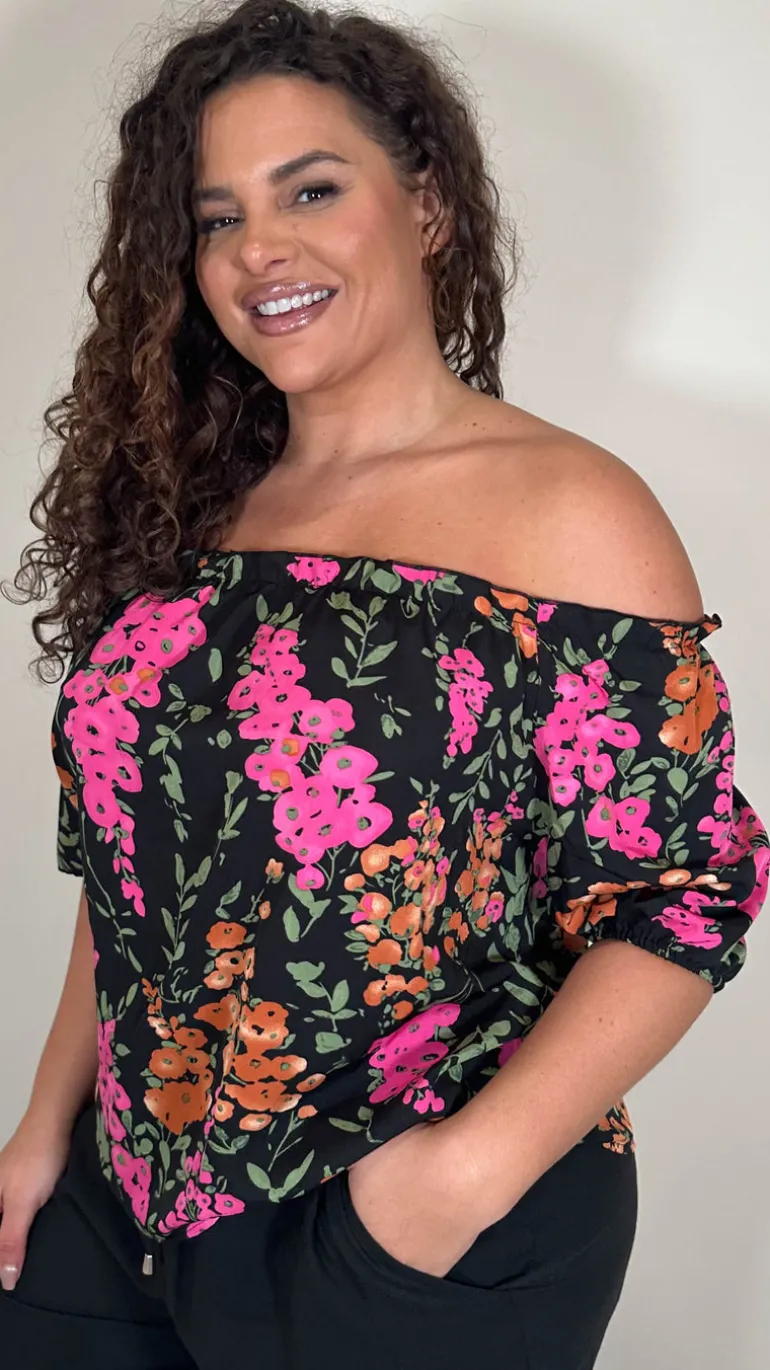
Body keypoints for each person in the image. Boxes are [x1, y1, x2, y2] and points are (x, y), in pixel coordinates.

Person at [0, 2, 766, 1367]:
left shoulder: (568, 511)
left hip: (402, 1199)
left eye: (310, 190)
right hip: (121, 1197)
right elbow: (140, 864)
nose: (258, 247)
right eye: (217, 216)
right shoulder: (188, 507)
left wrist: (457, 1178)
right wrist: (44, 1123)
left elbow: (685, 893)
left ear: (428, 208)